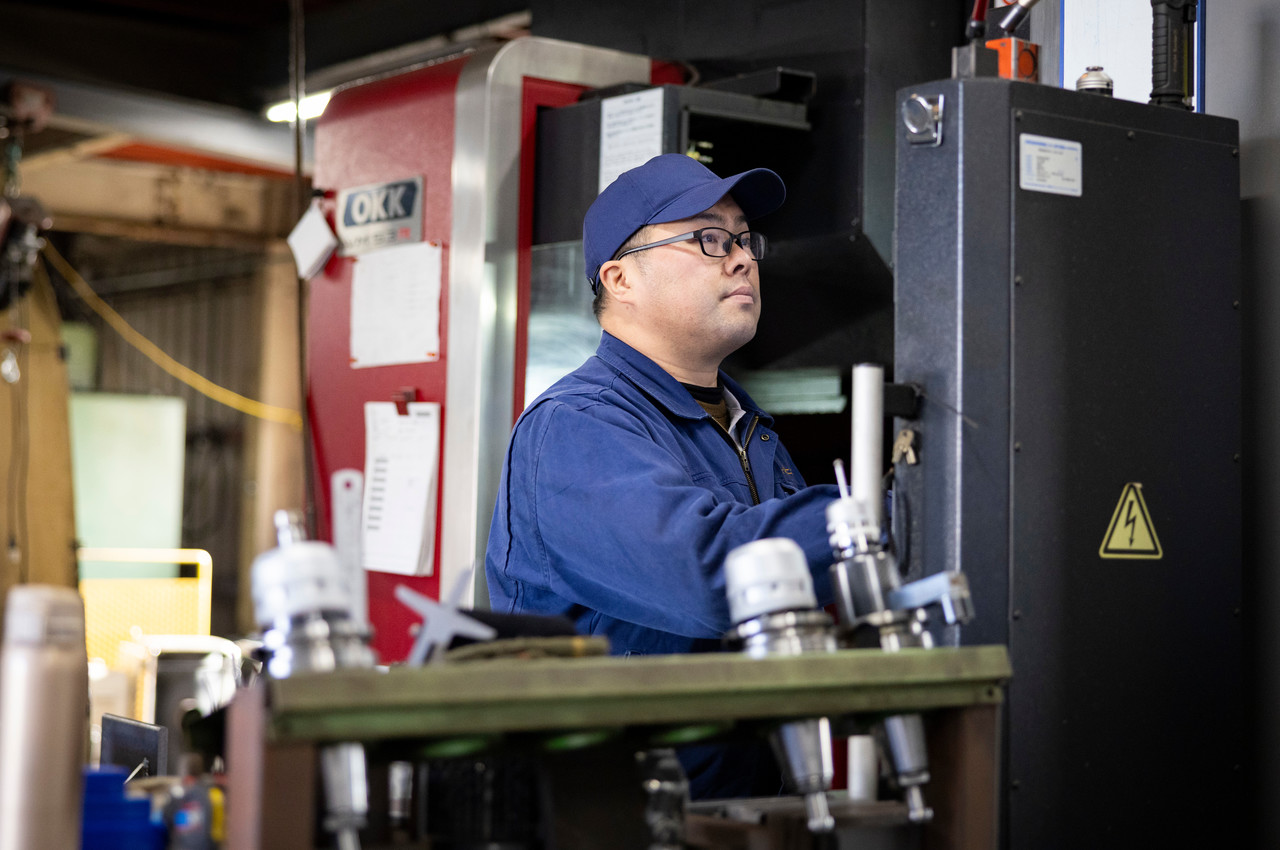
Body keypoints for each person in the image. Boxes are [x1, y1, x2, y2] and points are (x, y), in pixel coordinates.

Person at [485, 153, 840, 798]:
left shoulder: (751, 431)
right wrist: (867, 521)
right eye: (708, 237)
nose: (741, 258)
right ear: (620, 278)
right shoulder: (577, 428)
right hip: (612, 817)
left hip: (741, 808)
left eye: (743, 239)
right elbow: (706, 575)